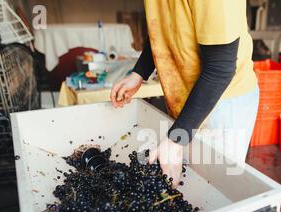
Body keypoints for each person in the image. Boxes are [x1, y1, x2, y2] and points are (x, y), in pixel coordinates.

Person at [111, 0, 259, 187]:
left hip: (221, 99)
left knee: (212, 188)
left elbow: (220, 69)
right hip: (189, 96)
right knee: (184, 179)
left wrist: (176, 138)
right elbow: (165, 28)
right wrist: (139, 72)